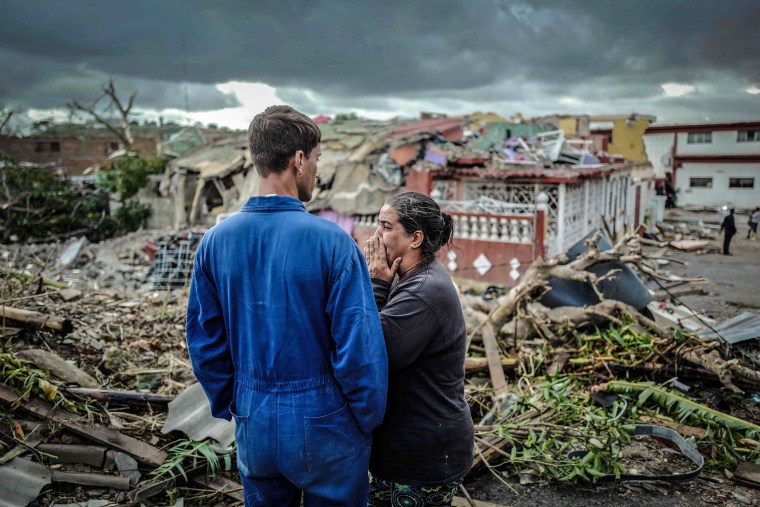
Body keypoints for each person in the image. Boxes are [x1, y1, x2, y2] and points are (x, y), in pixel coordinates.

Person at [186, 105, 388, 506]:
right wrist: (366, 419)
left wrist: (236, 403)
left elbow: (204, 342)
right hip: (325, 422)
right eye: (316, 160)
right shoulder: (332, 243)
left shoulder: (215, 242)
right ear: (298, 160)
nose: (317, 171)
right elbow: (359, 350)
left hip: (253, 419)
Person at [363, 192, 474, 506]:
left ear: (415, 238)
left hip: (423, 455)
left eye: (386, 226)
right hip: (408, 448)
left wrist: (376, 284)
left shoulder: (425, 290)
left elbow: (372, 353)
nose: (376, 236)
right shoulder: (407, 277)